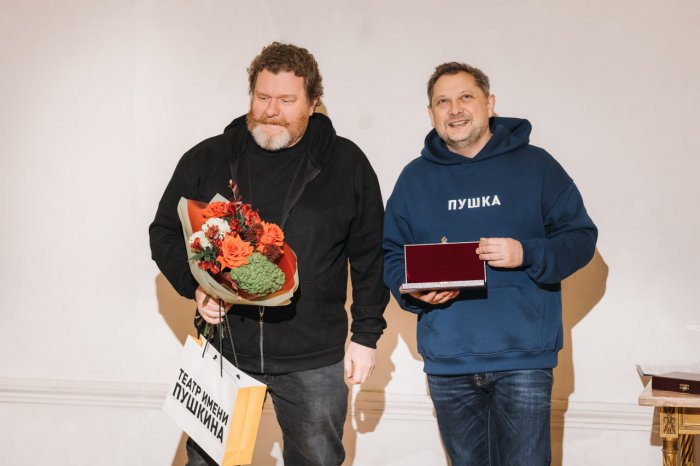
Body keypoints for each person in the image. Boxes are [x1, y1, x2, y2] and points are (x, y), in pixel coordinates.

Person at [150, 42, 388, 466]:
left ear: (313, 102)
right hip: (224, 351)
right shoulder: (208, 157)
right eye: (262, 97)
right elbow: (165, 231)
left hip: (313, 360)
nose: (271, 111)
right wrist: (196, 287)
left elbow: (371, 255)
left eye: (286, 100)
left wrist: (366, 336)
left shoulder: (347, 163)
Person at [383, 62, 598, 466]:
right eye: (443, 102)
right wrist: (414, 292)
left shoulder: (537, 166)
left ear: (489, 104)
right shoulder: (414, 179)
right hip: (448, 360)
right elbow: (392, 255)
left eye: (466, 97)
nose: (455, 109)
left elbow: (581, 238)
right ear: (431, 113)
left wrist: (526, 253)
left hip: (523, 360)